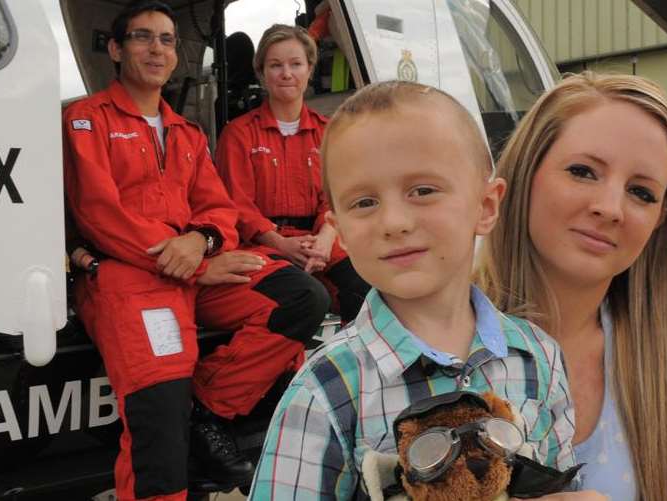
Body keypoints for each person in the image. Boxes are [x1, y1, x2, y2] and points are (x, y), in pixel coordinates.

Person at [248, 81, 579, 500]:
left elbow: (562, 482)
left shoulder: (539, 358)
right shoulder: (326, 387)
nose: (395, 222)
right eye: (364, 202)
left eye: (422, 191)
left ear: (486, 206)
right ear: (341, 232)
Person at [62, 2, 329, 500]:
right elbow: (101, 216)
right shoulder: (86, 119)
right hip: (132, 281)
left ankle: (206, 408)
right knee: (158, 426)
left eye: (166, 39)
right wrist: (190, 264)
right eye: (143, 38)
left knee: (302, 297)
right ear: (116, 50)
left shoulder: (187, 134)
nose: (157, 49)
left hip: (194, 271)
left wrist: (201, 247)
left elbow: (218, 210)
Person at [477, 72, 667, 501]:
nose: (610, 208)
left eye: (642, 193)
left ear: (661, 220)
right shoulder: (420, 345)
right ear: (524, 171)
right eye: (583, 171)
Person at [215, 24, 370, 324]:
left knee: (368, 287)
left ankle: (351, 364)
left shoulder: (328, 132)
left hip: (321, 239)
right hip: (262, 244)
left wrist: (326, 237)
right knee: (306, 297)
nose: (286, 73)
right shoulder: (238, 134)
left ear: (310, 69)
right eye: (275, 65)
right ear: (261, 73)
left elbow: (338, 196)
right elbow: (237, 204)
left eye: (296, 64)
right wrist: (281, 244)